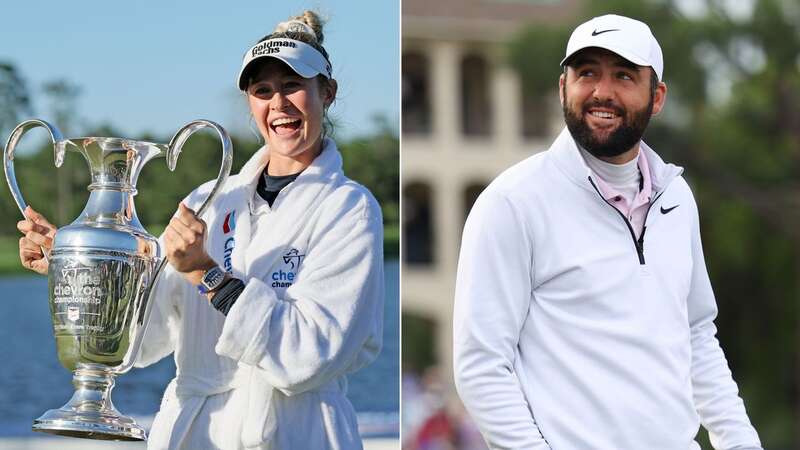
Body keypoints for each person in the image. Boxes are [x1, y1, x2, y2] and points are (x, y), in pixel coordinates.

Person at [17, 10, 384, 450]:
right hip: (194, 434)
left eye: (292, 87)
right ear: (250, 102)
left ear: (327, 92)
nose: (279, 104)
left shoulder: (350, 209)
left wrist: (208, 275)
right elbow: (144, 341)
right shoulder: (206, 200)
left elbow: (310, 356)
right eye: (262, 90)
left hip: (297, 433)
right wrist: (77, 268)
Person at [452, 14, 762, 450]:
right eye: (587, 73)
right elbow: (481, 364)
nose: (602, 91)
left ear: (656, 97)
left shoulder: (677, 198)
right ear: (563, 87)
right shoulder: (512, 202)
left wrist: (740, 442)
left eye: (623, 76)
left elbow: (696, 333)